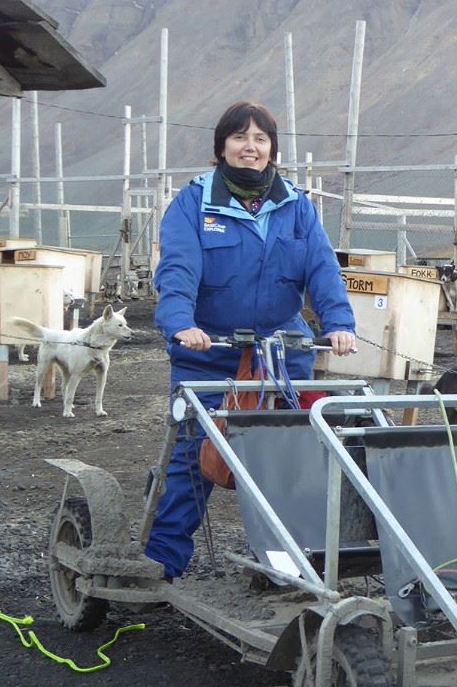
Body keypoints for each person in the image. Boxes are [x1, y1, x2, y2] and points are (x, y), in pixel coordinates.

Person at [145, 100, 356, 580]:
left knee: (288, 459)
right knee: (194, 458)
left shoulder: (296, 205)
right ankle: (163, 559)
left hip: (281, 356)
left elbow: (322, 269)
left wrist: (338, 324)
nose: (251, 146)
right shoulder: (193, 203)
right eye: (241, 136)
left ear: (272, 150)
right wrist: (180, 322)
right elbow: (177, 268)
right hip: (210, 353)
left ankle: (285, 563)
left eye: (261, 138)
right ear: (222, 146)